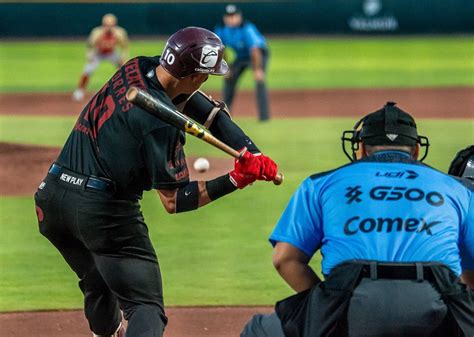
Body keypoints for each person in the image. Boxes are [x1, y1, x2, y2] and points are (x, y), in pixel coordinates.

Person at [34, 27, 278, 337]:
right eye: (205, 75)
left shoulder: (138, 66)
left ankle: (104, 333)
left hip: (53, 200)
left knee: (97, 278)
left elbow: (204, 108)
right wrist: (236, 178)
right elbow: (175, 201)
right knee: (144, 307)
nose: (206, 81)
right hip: (102, 212)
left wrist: (250, 152)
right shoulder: (159, 126)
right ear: (192, 76)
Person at [241, 102, 473, 337]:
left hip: (350, 304)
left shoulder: (320, 184)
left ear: (360, 147)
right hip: (436, 308)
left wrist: (326, 310)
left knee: (258, 330)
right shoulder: (458, 188)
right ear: (415, 150)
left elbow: (285, 259)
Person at [214, 4, 270, 121]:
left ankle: (264, 117)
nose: (231, 19)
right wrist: (226, 68)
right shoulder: (221, 29)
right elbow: (221, 50)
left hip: (259, 55)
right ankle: (224, 115)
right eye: (228, 16)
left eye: (234, 16)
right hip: (241, 57)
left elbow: (255, 51)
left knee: (259, 80)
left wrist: (258, 70)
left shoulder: (247, 28)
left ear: (239, 17)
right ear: (225, 18)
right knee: (229, 79)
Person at [72, 13, 129, 102]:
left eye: (111, 25)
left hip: (112, 53)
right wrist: (89, 54)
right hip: (98, 53)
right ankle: (79, 91)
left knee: (124, 69)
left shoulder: (119, 33)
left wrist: (123, 56)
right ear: (103, 25)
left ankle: (125, 90)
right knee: (87, 71)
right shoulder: (97, 33)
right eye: (107, 25)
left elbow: (125, 46)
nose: (109, 28)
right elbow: (90, 45)